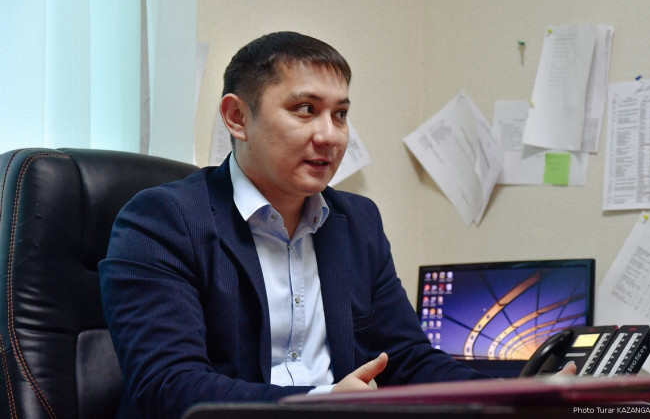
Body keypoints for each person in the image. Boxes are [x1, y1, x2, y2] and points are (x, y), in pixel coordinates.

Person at [100, 31, 572, 419]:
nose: (329, 135)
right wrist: (325, 403)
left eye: (340, 114)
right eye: (305, 109)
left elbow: (407, 360)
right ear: (237, 117)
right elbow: (168, 387)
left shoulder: (357, 222)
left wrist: (517, 395)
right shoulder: (162, 220)